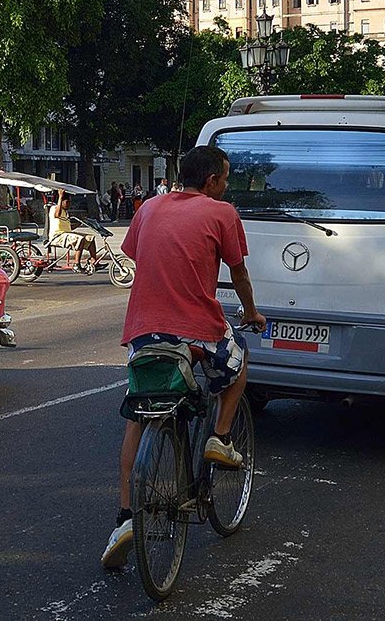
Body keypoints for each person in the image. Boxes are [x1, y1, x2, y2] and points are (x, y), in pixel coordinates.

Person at [101, 145, 266, 569]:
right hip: (198, 330)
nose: (226, 186)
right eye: (225, 178)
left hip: (143, 330)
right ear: (211, 180)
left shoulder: (149, 208)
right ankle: (221, 437)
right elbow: (239, 272)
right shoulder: (222, 212)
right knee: (238, 362)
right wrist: (250, 312)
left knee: (138, 417)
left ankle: (123, 518)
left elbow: (138, 256)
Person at [47, 194, 98, 272]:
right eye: (67, 202)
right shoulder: (54, 209)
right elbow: (57, 215)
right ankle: (76, 264)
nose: (69, 204)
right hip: (57, 236)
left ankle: (94, 262)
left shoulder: (65, 212)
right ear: (61, 201)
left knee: (90, 238)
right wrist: (60, 196)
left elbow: (69, 227)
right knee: (79, 239)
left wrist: (80, 222)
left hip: (66, 234)